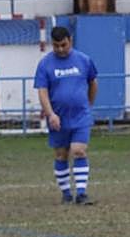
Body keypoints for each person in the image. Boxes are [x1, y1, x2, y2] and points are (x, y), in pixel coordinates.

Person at [34, 25, 99, 205]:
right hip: (58, 117)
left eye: (64, 45)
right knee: (61, 155)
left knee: (78, 151)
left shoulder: (84, 60)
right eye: (56, 46)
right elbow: (42, 91)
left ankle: (81, 193)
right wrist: (50, 114)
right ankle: (66, 194)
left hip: (80, 116)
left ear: (70, 40)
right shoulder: (45, 64)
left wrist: (88, 104)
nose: (60, 49)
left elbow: (93, 83)